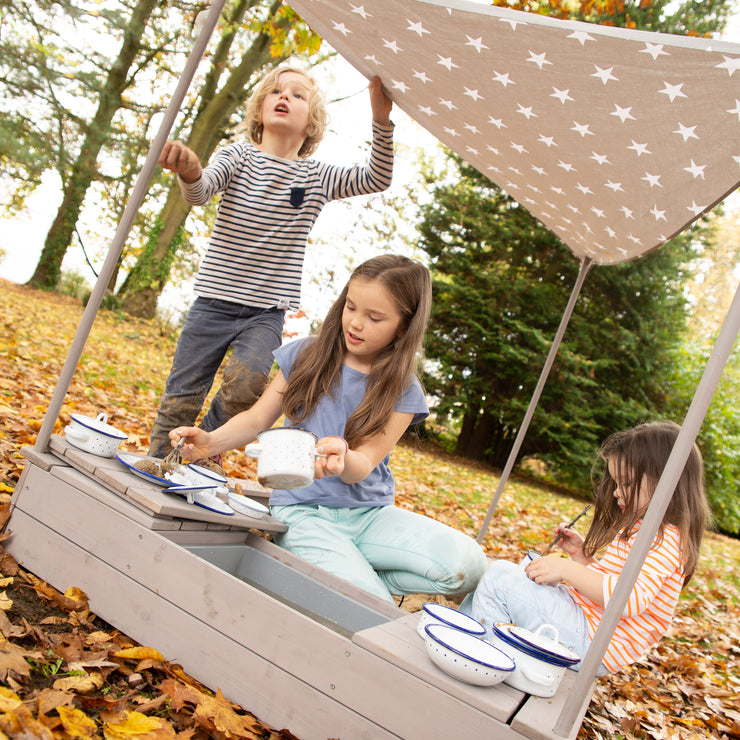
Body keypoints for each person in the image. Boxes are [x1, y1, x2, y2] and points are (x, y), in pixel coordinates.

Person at [169, 254, 488, 603]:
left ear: (404, 326)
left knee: (468, 566)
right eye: (351, 307)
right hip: (303, 511)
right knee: (369, 603)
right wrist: (210, 440)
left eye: (374, 317)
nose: (355, 323)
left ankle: (364, 570)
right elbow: (258, 419)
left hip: (371, 516)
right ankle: (361, 579)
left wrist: (344, 458)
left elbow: (363, 465)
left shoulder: (404, 388)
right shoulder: (307, 354)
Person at [148, 64, 395, 462]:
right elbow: (200, 192)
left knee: (247, 386)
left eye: (298, 95)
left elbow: (376, 177)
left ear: (311, 124)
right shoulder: (238, 156)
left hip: (264, 313)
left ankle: (203, 451)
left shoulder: (317, 176)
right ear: (259, 109)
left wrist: (381, 121)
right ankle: (157, 463)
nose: (284, 97)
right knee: (182, 393)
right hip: (212, 303)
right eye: (275, 91)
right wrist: (190, 172)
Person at [460, 421, 709, 674]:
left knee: (499, 578)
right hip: (585, 625)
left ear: (667, 482)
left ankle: (478, 657)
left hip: (591, 641)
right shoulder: (646, 531)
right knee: (503, 576)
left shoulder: (664, 541)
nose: (616, 493)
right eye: (616, 483)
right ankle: (465, 633)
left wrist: (568, 570)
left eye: (626, 483)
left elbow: (627, 600)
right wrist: (580, 557)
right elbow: (609, 586)